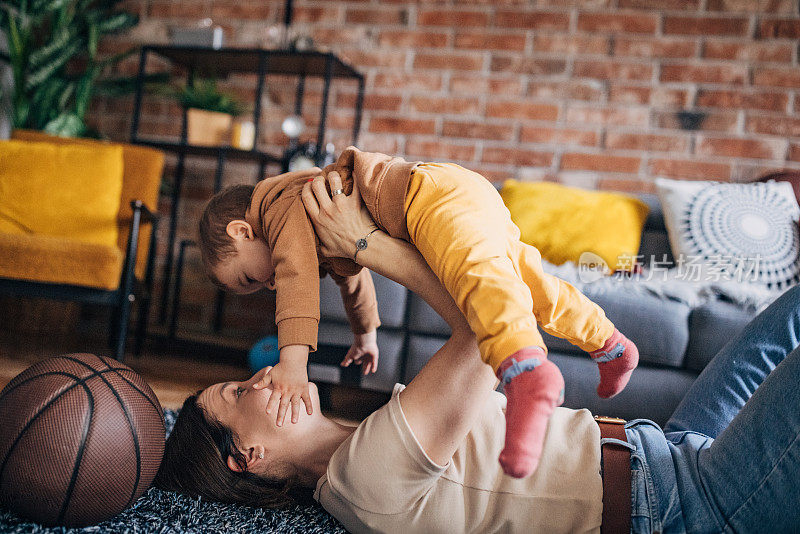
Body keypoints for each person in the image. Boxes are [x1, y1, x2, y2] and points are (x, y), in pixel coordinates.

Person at [156, 176, 800, 533]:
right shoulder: (363, 479)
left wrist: (364, 285)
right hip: (684, 506)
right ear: (248, 457)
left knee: (787, 312)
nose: (263, 373)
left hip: (668, 448)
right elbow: (492, 319)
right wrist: (366, 244)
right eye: (241, 394)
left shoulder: (372, 441)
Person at [197, 147, 639, 477]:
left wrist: (293, 363)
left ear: (243, 231)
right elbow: (352, 275)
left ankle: (526, 372)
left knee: (482, 285)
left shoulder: (281, 210)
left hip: (428, 201)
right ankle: (608, 343)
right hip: (453, 193)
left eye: (250, 279)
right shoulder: (304, 214)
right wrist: (365, 333)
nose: (267, 284)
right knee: (527, 285)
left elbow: (295, 280)